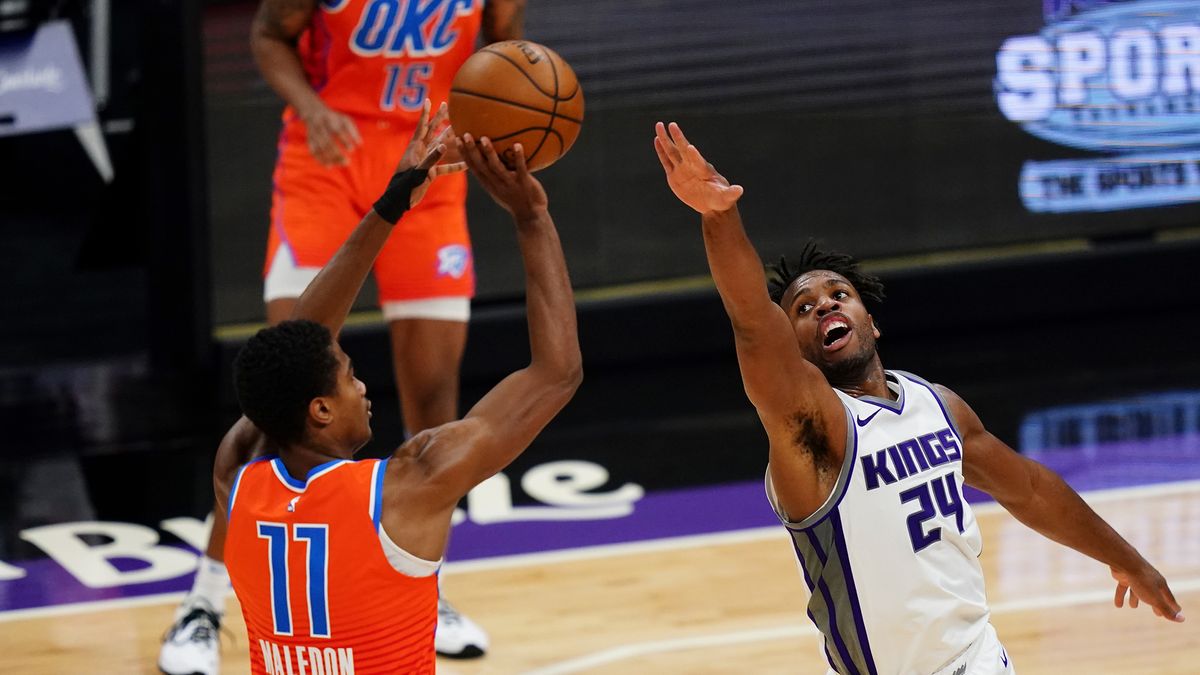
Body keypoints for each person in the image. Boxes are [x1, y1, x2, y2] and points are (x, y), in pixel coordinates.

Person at [652, 121, 1184, 675]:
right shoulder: (811, 425)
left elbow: (1026, 488)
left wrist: (1127, 561)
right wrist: (718, 215)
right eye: (804, 309)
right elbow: (755, 326)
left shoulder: (937, 406)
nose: (826, 306)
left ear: (872, 322)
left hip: (982, 660)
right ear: (796, 351)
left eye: (839, 294)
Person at [159, 1, 527, 671]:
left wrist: (508, 115)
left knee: (434, 389)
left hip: (431, 155)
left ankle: (424, 583)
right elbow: (269, 35)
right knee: (279, 399)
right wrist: (310, 104)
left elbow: (505, 48)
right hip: (327, 157)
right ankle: (205, 601)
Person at [203, 103, 577, 675]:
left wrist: (392, 201)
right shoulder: (409, 486)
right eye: (350, 378)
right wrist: (531, 217)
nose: (363, 387)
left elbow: (301, 342)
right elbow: (556, 372)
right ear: (322, 409)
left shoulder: (237, 476)